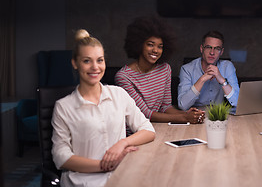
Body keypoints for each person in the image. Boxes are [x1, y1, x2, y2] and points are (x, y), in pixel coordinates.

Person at [51, 29, 155, 187]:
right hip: (83, 181)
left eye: (100, 60)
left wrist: (122, 144)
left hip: (120, 177)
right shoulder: (63, 107)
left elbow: (148, 130)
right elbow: (61, 157)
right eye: (87, 61)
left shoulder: (119, 94)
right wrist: (104, 165)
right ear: (75, 63)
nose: (95, 67)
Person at [114, 16, 205, 124]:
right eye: (150, 45)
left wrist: (189, 114)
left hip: (157, 128)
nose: (155, 50)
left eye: (160, 46)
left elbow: (165, 107)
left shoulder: (164, 69)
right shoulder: (124, 77)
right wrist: (185, 118)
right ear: (139, 44)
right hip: (133, 132)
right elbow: (145, 114)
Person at [177, 30, 240, 111]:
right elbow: (183, 105)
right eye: (208, 47)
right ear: (201, 49)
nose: (212, 52)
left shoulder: (227, 67)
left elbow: (238, 102)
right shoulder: (186, 69)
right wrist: (202, 79)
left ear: (222, 52)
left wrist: (222, 80)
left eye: (217, 48)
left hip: (218, 115)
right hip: (195, 114)